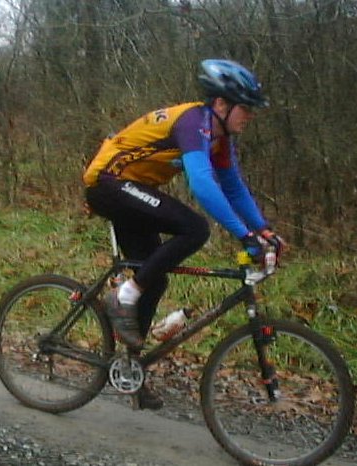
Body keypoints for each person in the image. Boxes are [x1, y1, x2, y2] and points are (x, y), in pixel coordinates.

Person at [83, 59, 284, 409]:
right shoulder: (194, 122)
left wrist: (262, 230)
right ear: (221, 104)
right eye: (245, 108)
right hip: (108, 183)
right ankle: (123, 294)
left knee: (154, 279)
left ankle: (130, 370)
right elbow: (202, 184)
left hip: (133, 189)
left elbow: (233, 188)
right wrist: (242, 234)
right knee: (194, 228)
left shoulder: (220, 138)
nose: (249, 116)